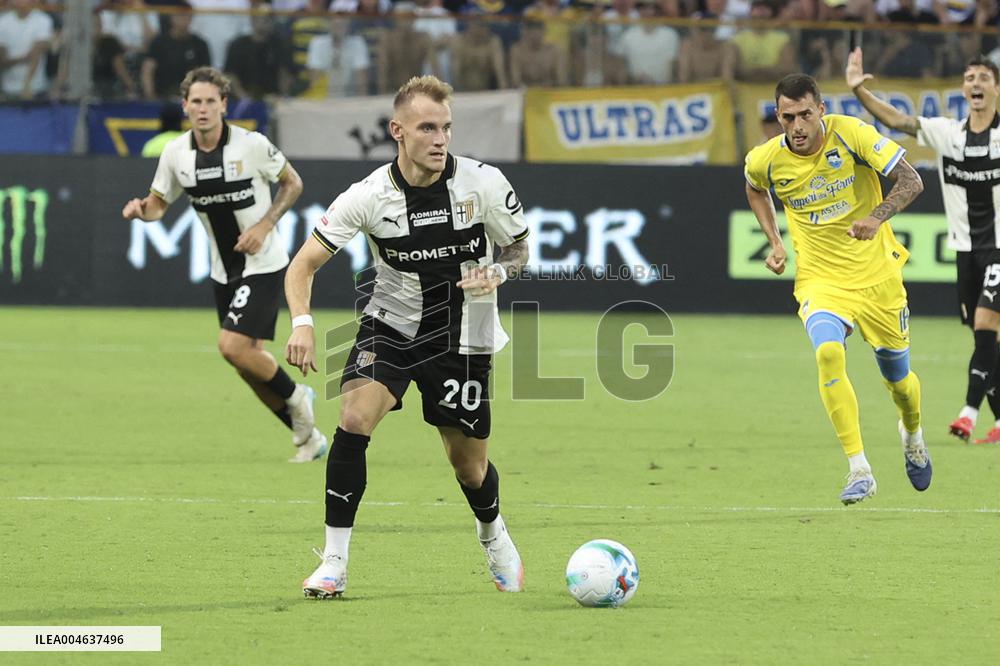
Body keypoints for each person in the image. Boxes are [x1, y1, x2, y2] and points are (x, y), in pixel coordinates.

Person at [285, 75, 530, 597]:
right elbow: (301, 266)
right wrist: (302, 324)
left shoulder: (484, 184)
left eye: (446, 128)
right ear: (397, 131)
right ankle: (334, 562)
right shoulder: (369, 196)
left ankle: (492, 533)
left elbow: (518, 250)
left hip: (465, 335)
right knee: (354, 418)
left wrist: (498, 272)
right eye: (427, 128)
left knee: (468, 466)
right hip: (392, 324)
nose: (440, 140)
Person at [122, 67, 326, 463]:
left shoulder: (251, 145)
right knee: (246, 363)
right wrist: (141, 211)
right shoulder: (176, 154)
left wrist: (265, 225)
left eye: (210, 101)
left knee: (231, 346)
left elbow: (293, 182)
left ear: (224, 105)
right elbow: (158, 204)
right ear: (185, 106)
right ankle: (308, 437)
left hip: (263, 263)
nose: (203, 109)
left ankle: (298, 396)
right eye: (196, 102)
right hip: (223, 269)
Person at [744, 73, 931, 504]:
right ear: (779, 117)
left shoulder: (851, 135)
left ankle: (912, 434)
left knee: (899, 383)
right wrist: (775, 241)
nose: (797, 126)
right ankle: (859, 468)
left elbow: (912, 181)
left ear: (821, 110)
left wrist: (876, 218)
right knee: (828, 353)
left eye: (805, 114)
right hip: (821, 280)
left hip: (878, 279)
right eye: (788, 117)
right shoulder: (765, 159)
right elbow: (755, 189)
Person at [847, 48, 1000, 444]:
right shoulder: (947, 133)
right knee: (983, 337)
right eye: (970, 78)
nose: (976, 84)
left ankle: (968, 413)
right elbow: (898, 120)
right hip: (966, 250)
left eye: (984, 78)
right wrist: (859, 91)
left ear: (997, 89)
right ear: (963, 89)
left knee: (986, 326)